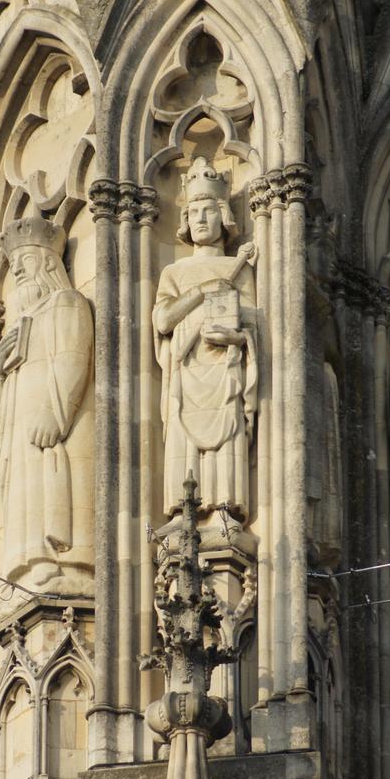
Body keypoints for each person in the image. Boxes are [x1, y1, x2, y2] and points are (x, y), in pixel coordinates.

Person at [0, 216, 94, 608]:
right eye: (14, 264)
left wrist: (58, 413)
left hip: (51, 422)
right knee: (25, 495)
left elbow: (75, 358)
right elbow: (1, 404)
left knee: (54, 488)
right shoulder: (20, 323)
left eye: (26, 261)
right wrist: (0, 372)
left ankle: (58, 560)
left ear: (49, 263)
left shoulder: (65, 302)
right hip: (22, 429)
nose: (17, 270)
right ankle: (24, 565)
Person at [153, 157, 257, 524]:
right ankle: (185, 510)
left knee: (227, 429)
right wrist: (202, 292)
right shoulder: (174, 272)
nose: (199, 219)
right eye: (193, 211)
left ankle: (224, 508)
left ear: (223, 216)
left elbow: (253, 319)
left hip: (224, 366)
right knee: (184, 435)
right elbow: (164, 318)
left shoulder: (237, 269)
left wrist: (236, 336)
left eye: (208, 211)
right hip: (186, 369)